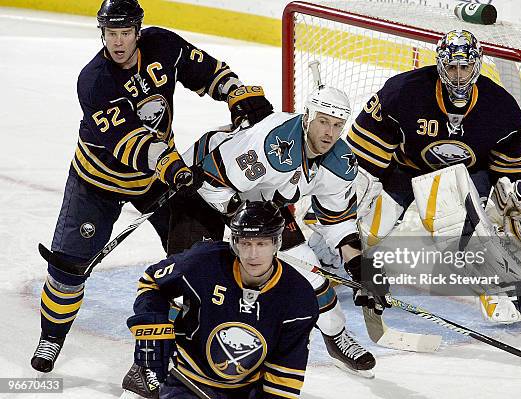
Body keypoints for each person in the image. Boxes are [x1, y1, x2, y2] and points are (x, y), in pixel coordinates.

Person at [31, 0, 273, 373]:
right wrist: (171, 166)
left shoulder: (164, 45)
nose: (118, 42)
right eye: (111, 33)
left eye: (125, 33)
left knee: (195, 258)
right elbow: (131, 140)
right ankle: (52, 336)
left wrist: (236, 92)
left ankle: (180, 347)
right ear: (102, 34)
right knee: (68, 267)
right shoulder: (94, 80)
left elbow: (206, 71)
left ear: (138, 31)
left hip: (160, 179)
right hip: (98, 182)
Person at [162, 83, 391, 379]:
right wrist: (245, 223)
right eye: (323, 122)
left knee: (311, 272)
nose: (329, 133)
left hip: (262, 199)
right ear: (307, 116)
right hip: (202, 185)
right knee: (190, 278)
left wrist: (360, 268)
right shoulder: (274, 147)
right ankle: (162, 348)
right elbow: (214, 180)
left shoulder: (340, 163)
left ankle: (336, 337)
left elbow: (338, 222)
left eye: (337, 125)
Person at [348, 29, 521, 323]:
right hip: (407, 169)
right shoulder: (405, 91)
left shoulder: (499, 106)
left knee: (459, 230)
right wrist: (355, 193)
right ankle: (333, 253)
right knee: (372, 222)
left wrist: (517, 201)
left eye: (464, 66)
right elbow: (362, 154)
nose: (458, 75)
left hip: (467, 175)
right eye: (452, 66)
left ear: (476, 65)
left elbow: (515, 170)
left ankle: (500, 290)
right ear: (440, 65)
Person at [122, 201, 319, 399]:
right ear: (235, 242)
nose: (252, 254)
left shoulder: (298, 297)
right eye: (246, 243)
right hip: (188, 380)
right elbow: (152, 282)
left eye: (262, 243)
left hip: (246, 390)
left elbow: (283, 378)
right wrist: (154, 330)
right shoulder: (204, 262)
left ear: (276, 243)